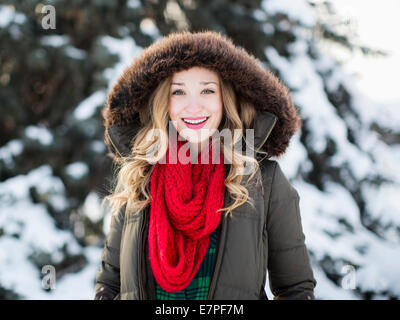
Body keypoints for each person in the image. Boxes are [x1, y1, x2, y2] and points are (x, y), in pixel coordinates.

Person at [94, 30, 317, 300]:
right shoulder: (138, 178)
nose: (194, 106)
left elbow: (296, 289)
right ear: (164, 101)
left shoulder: (263, 181)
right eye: (179, 92)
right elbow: (110, 286)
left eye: (207, 90)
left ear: (227, 99)